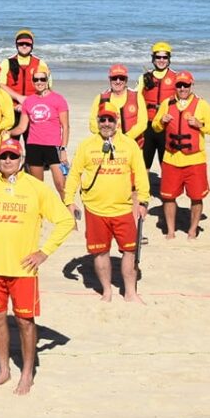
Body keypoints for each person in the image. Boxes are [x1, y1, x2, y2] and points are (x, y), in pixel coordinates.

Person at [0, 143, 75, 395]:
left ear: (21, 159)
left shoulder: (36, 188)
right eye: (4, 156)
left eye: (13, 156)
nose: (8, 160)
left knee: (25, 322)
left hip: (23, 268)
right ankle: (3, 371)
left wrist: (44, 252)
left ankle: (27, 373)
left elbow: (65, 221)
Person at [65, 106, 151, 303]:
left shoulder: (130, 145)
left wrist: (143, 201)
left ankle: (130, 292)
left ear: (117, 122)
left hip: (123, 209)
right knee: (100, 251)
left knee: (129, 251)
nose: (106, 124)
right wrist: (69, 201)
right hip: (95, 209)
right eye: (102, 120)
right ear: (97, 121)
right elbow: (74, 174)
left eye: (110, 120)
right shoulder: (86, 145)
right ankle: (107, 291)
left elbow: (140, 175)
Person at [151, 71, 210, 239]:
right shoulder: (167, 103)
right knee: (168, 197)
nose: (182, 88)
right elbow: (155, 126)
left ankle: (192, 229)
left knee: (196, 197)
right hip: (171, 158)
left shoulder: (201, 104)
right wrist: (161, 122)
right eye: (179, 85)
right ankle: (171, 231)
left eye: (186, 85)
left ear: (191, 85)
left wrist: (200, 124)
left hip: (195, 160)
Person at [17, 70, 69, 194]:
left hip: (54, 146)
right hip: (34, 146)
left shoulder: (58, 99)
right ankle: (39, 213)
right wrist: (7, 132)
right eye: (36, 79)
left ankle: (68, 212)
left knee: (62, 187)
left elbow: (65, 127)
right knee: (37, 188)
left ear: (47, 81)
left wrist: (63, 150)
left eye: (42, 79)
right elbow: (22, 128)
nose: (39, 82)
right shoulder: (28, 101)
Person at [137, 42, 178, 171]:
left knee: (166, 162)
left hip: (167, 125)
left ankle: (166, 190)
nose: (161, 60)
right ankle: (142, 190)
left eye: (164, 57)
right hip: (148, 125)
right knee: (144, 161)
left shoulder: (176, 78)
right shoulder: (145, 77)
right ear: (153, 58)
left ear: (169, 59)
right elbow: (134, 98)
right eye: (158, 57)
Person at [89, 64, 148, 150]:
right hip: (108, 145)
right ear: (109, 79)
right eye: (114, 78)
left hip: (132, 146)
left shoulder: (137, 97)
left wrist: (125, 138)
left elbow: (142, 123)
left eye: (121, 78)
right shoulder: (100, 98)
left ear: (126, 80)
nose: (118, 81)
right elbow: (92, 123)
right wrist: (107, 136)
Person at [2, 29, 49, 98]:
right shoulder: (6, 63)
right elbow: (1, 85)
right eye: (21, 44)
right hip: (11, 104)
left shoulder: (40, 63)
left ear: (32, 45)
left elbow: (47, 87)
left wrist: (29, 102)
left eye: (27, 44)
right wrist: (19, 98)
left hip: (34, 103)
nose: (24, 46)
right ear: (16, 45)